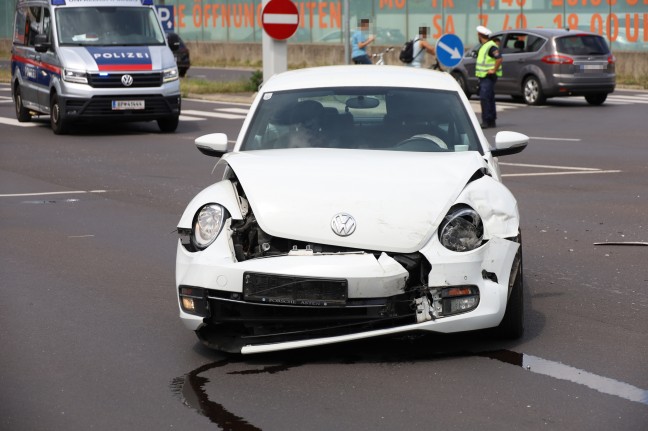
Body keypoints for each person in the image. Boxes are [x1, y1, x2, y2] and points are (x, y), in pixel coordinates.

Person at [475, 25, 502, 129]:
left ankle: (486, 121)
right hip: (484, 76)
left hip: (488, 76)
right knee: (489, 97)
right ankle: (491, 120)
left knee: (485, 98)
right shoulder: (485, 46)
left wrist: (493, 70)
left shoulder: (490, 46)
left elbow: (499, 59)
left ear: (479, 35)